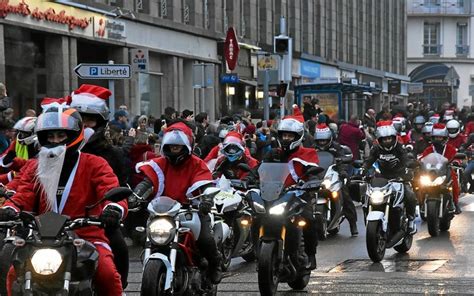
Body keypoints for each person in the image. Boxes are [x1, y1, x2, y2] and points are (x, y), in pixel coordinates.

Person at [0, 106, 125, 296]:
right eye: (50, 136)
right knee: (12, 275)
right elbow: (22, 195)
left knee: (107, 274)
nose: (55, 141)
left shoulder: (95, 163)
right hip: (42, 238)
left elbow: (110, 188)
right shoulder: (35, 166)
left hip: (86, 235)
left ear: (74, 135)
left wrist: (113, 209)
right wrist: (9, 208)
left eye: (61, 135)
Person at [131, 121, 223, 284]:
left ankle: (215, 264)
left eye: (178, 147)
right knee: (145, 234)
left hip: (192, 210)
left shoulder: (197, 163)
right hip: (163, 211)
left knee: (204, 239)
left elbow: (205, 183)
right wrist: (135, 196)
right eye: (171, 146)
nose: (174, 149)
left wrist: (206, 199)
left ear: (186, 146)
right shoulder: (160, 163)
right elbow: (148, 181)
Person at [69, 84, 130, 288]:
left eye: (90, 120)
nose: (84, 125)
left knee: (118, 249)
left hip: (95, 222)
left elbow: (117, 187)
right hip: (53, 225)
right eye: (79, 120)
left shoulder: (112, 154)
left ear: (100, 124)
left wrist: (112, 210)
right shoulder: (51, 154)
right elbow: (26, 185)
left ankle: (118, 287)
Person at [261, 105, 320, 269]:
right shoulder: (273, 153)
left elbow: (313, 170)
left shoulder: (308, 153)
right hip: (274, 195)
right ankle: (260, 253)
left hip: (299, 195)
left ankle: (310, 255)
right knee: (256, 216)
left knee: (309, 220)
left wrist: (312, 182)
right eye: (284, 135)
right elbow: (259, 169)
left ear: (298, 136)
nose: (286, 138)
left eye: (289, 135)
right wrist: (251, 179)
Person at [363, 121, 417, 234]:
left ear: (393, 138)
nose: (387, 141)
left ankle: (411, 220)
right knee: (367, 195)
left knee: (410, 195)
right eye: (384, 139)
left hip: (399, 177)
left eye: (389, 138)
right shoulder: (376, 148)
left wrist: (407, 170)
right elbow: (369, 160)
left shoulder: (399, 147)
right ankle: (368, 218)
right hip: (382, 178)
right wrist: (363, 170)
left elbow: (405, 159)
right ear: (380, 140)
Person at [314, 123, 358, 236]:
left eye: (324, 141)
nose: (322, 143)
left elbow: (343, 159)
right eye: (320, 141)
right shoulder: (312, 149)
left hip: (334, 174)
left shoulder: (336, 147)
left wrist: (343, 171)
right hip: (317, 175)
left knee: (345, 195)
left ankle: (353, 224)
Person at [419, 123, 461, 214]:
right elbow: (423, 158)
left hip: (445, 172)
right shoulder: (429, 149)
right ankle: (421, 203)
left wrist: (456, 161)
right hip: (431, 173)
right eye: (436, 137)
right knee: (420, 183)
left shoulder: (450, 148)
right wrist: (418, 162)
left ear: (445, 138)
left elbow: (455, 157)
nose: (438, 139)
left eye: (440, 137)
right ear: (432, 138)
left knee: (454, 180)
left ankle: (455, 203)